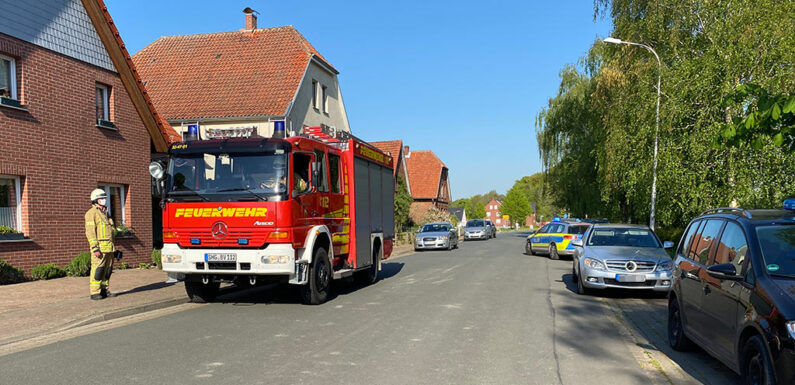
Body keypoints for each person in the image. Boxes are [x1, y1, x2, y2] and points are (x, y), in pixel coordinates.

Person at [84, 189, 116, 300]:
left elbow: (110, 231)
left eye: (104, 198)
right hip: (100, 248)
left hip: (109, 247)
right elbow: (90, 232)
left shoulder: (106, 213)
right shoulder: (91, 214)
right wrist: (94, 248)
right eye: (101, 198)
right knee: (98, 270)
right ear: (95, 200)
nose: (104, 200)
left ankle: (104, 290)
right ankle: (94, 292)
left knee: (107, 271)